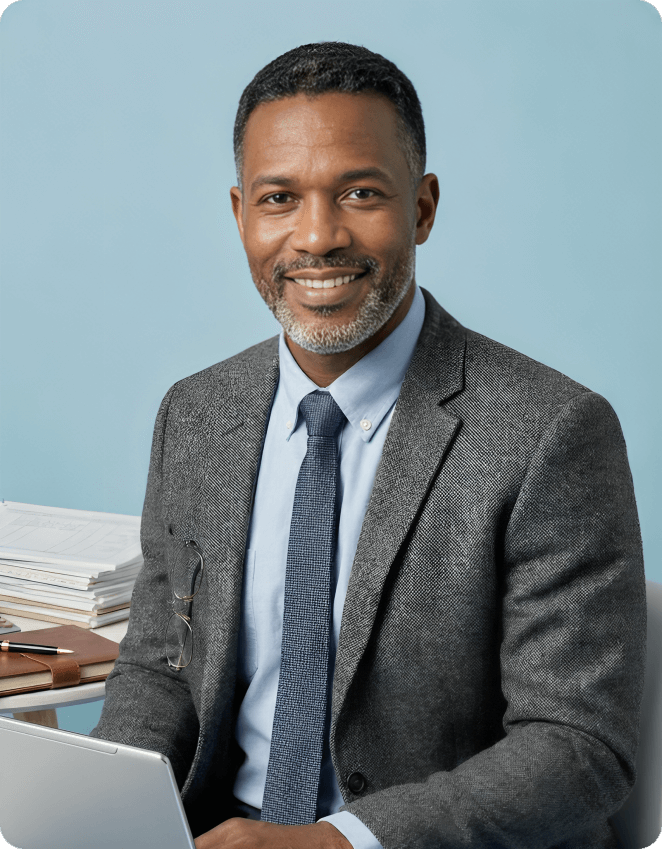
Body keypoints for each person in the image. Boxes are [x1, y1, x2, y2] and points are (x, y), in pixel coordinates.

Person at [92, 42, 646, 849]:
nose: (317, 237)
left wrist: (337, 841)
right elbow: (160, 666)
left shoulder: (551, 433)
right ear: (242, 214)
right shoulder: (195, 414)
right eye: (280, 198)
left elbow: (577, 745)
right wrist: (108, 811)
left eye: (359, 192)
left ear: (422, 208)